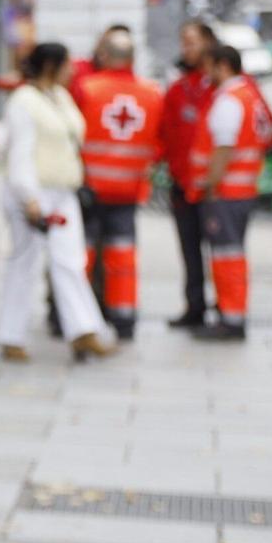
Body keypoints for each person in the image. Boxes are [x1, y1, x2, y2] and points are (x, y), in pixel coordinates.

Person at [0, 42, 116, 363]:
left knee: (71, 262)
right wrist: (30, 198)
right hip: (33, 192)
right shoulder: (22, 102)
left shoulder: (61, 97)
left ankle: (83, 331)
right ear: (52, 65)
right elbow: (19, 154)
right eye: (67, 64)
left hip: (64, 191)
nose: (73, 70)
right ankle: (12, 335)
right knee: (25, 263)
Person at [75, 27, 163, 340]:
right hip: (129, 190)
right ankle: (124, 318)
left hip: (89, 190)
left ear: (106, 56)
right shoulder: (152, 92)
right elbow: (160, 141)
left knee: (81, 255)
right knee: (122, 257)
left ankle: (73, 316)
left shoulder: (87, 88)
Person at [186, 41, 272, 342]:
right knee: (230, 254)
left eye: (209, 66)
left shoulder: (229, 100)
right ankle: (229, 312)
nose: (205, 73)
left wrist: (210, 185)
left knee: (226, 257)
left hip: (226, 192)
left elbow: (224, 148)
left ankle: (231, 319)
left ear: (223, 65)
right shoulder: (249, 96)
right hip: (242, 190)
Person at [161, 18, 220, 328]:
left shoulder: (225, 87)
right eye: (183, 42)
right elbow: (165, 134)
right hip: (183, 185)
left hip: (215, 188)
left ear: (209, 44)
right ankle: (194, 306)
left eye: (192, 42)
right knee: (190, 250)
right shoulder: (178, 90)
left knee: (223, 252)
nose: (186, 48)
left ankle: (226, 309)